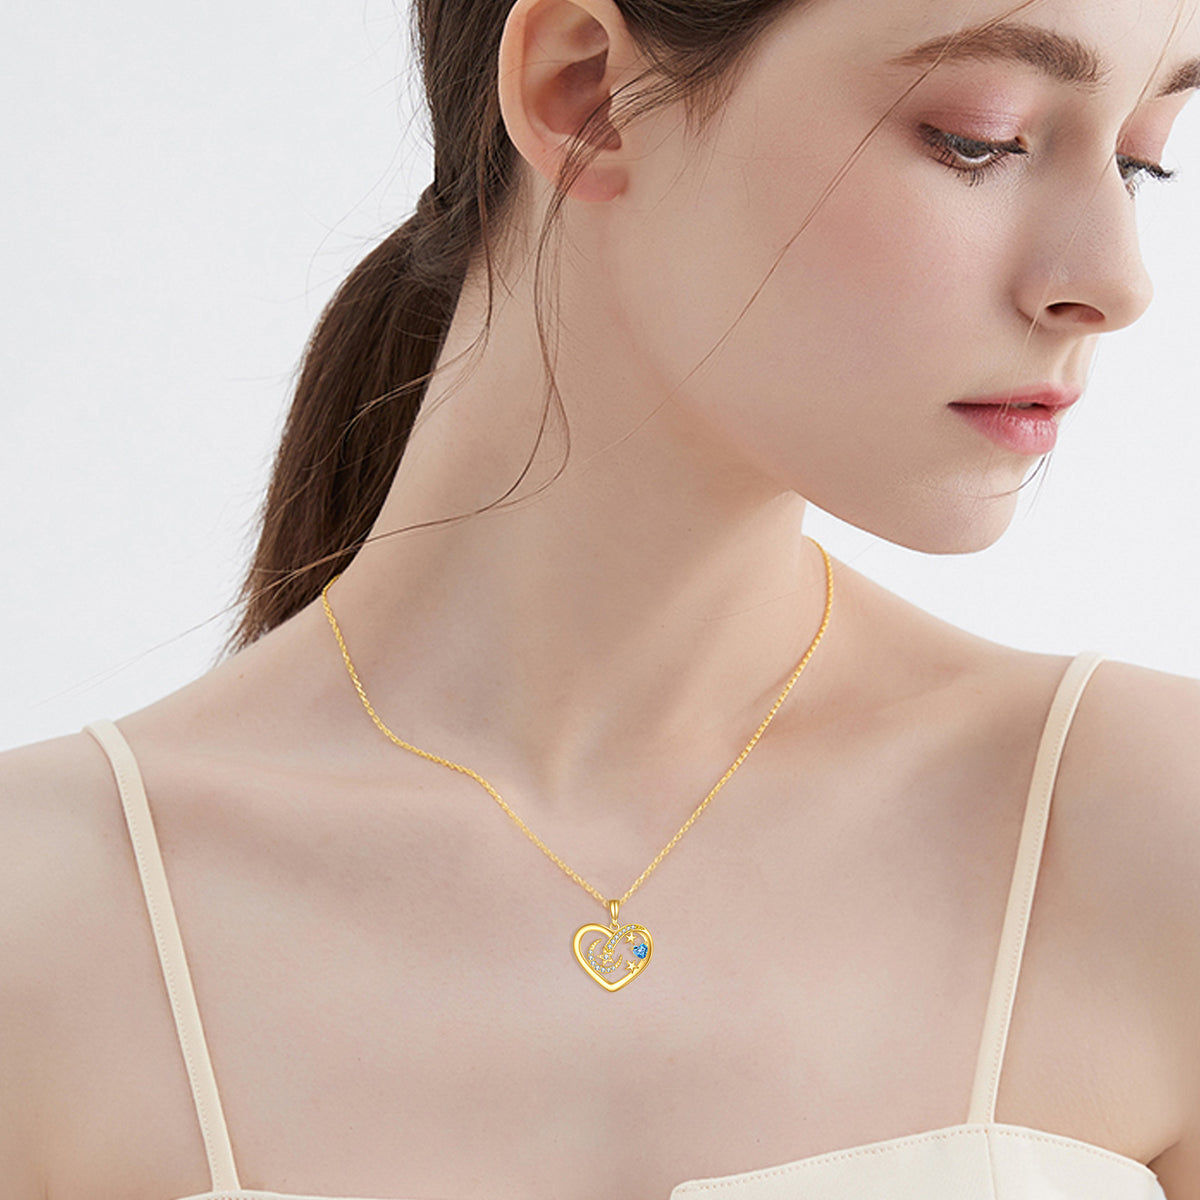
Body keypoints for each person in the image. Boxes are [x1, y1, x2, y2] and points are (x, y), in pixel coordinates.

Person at [3, 0, 1199, 1196]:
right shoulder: (46, 919)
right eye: (979, 139)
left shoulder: (1148, 831)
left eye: (1141, 158)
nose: (1117, 279)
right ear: (584, 93)